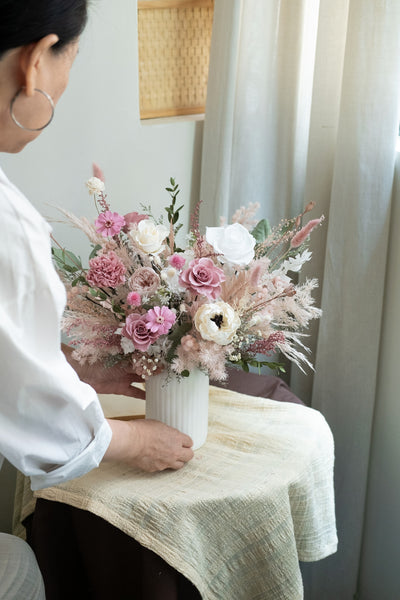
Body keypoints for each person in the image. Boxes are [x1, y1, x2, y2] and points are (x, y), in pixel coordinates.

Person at [0, 1, 194, 597]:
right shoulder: (7, 225)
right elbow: (33, 417)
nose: (64, 82)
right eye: (70, 63)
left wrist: (58, 357)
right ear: (36, 61)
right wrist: (136, 441)